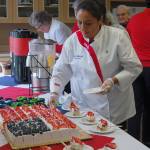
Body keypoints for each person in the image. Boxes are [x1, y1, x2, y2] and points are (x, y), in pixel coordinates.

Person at [49, 0, 142, 126]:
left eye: (88, 23)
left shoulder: (118, 36)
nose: (82, 28)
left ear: (100, 21)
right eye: (79, 22)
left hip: (114, 104)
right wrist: (54, 93)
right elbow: (61, 70)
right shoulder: (72, 41)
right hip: (83, 104)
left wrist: (113, 80)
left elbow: (134, 67)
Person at [127, 0, 150, 147]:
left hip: (135, 68)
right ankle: (147, 141)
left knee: (134, 107)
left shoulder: (134, 20)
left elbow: (128, 42)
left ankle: (131, 141)